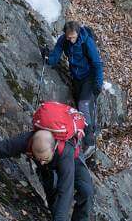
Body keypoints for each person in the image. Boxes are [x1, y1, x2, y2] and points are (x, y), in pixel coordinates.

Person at [41, 21, 103, 157]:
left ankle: (90, 142)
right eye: (69, 37)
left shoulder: (87, 42)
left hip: (89, 77)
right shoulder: (64, 40)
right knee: (78, 108)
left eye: (73, 37)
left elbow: (97, 64)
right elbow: (55, 56)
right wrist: (47, 57)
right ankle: (84, 134)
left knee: (83, 105)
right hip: (77, 78)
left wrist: (98, 84)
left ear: (78, 33)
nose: (71, 40)